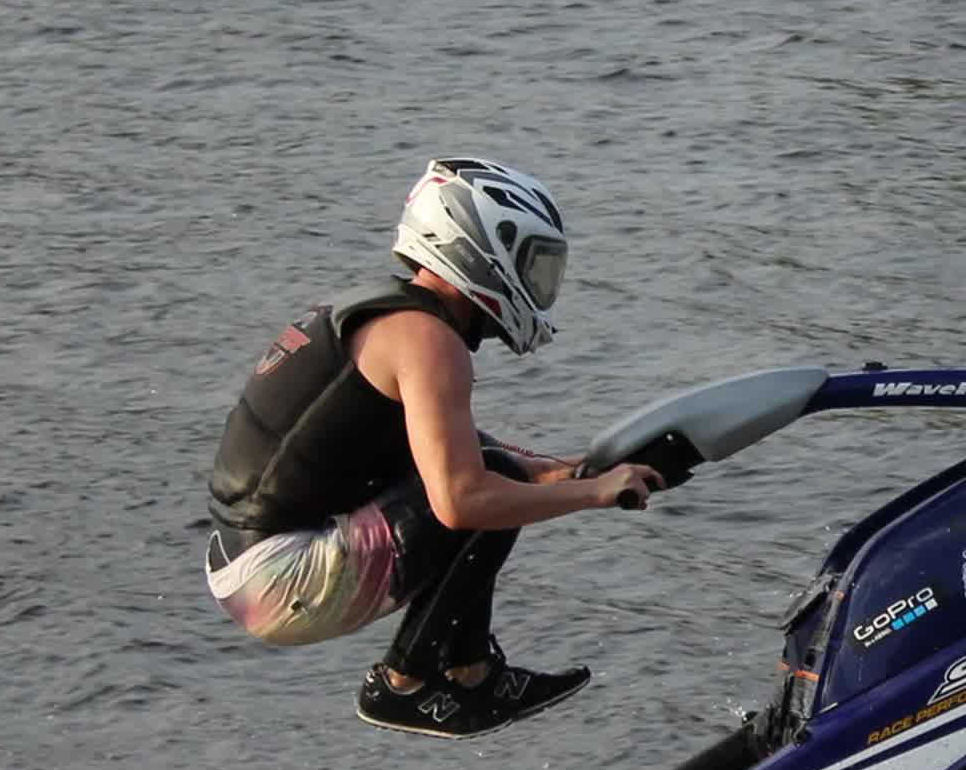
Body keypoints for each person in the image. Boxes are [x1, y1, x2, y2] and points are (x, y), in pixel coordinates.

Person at [202, 157, 661, 738]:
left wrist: (569, 471)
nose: (540, 288)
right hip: (278, 574)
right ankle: (409, 682)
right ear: (477, 249)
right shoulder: (429, 340)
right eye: (532, 265)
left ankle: (469, 672)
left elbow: (441, 451)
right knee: (483, 485)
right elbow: (461, 501)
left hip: (245, 562)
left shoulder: (387, 315)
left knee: (493, 471)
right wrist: (592, 494)